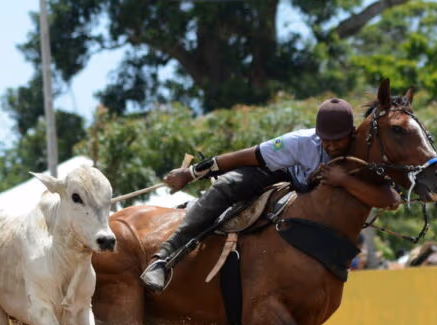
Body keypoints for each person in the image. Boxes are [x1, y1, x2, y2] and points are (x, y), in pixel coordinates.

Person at [140, 98, 402, 292]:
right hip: (283, 175)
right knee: (227, 185)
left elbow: (391, 200)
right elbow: (248, 155)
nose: (331, 145)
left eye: (339, 139)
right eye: (325, 139)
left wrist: (343, 179)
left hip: (323, 218)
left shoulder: (362, 154)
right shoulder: (300, 141)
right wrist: (194, 173)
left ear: (353, 133)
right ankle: (162, 259)